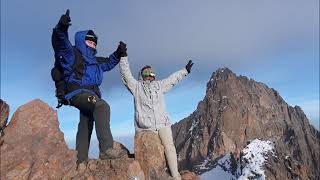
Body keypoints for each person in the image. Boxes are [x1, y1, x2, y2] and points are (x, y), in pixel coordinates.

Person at [51, 10, 127, 165]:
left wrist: (118, 53)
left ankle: (80, 160)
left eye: (94, 42)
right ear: (81, 41)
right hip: (77, 93)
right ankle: (106, 149)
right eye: (89, 41)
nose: (93, 44)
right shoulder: (72, 55)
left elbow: (109, 62)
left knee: (86, 121)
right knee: (102, 106)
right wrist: (61, 28)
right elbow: (60, 43)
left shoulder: (95, 61)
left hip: (89, 96)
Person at [118, 42, 194, 180]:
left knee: (169, 148)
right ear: (141, 75)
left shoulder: (159, 85)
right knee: (150, 153)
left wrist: (185, 71)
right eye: (146, 72)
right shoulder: (136, 87)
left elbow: (172, 79)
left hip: (163, 123)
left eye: (152, 72)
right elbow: (125, 74)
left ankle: (176, 176)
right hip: (146, 126)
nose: (150, 75)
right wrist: (123, 56)